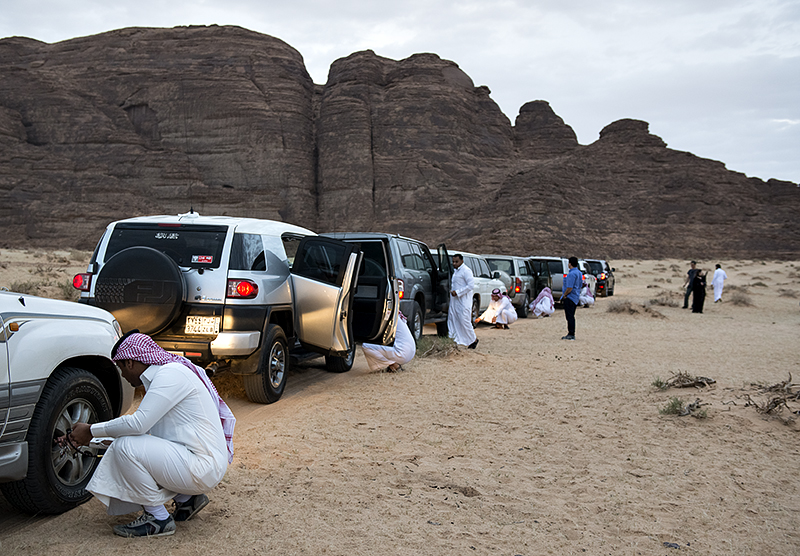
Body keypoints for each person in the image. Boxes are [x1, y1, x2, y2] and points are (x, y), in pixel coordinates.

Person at [63, 332, 235, 538]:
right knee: (126, 445)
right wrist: (88, 439)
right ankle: (186, 500)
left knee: (124, 448)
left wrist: (91, 430)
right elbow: (142, 435)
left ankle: (158, 519)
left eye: (120, 369)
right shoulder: (165, 375)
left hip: (202, 466)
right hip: (199, 462)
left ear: (129, 363)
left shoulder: (170, 375)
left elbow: (137, 424)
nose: (123, 377)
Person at [447, 254, 479, 349]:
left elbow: (470, 286)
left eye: (456, 262)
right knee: (453, 320)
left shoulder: (466, 271)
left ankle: (473, 339)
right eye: (453, 261)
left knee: (464, 320)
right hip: (454, 301)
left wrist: (458, 292)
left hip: (463, 301)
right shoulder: (456, 272)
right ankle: (454, 340)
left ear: (462, 261)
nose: (454, 263)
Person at [560, 257, 582, 340]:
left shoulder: (572, 274)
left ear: (570, 264)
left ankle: (571, 334)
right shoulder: (579, 273)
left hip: (570, 297)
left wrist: (565, 295)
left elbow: (569, 287)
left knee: (569, 316)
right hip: (575, 297)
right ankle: (571, 332)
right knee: (571, 316)